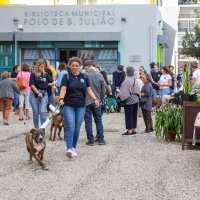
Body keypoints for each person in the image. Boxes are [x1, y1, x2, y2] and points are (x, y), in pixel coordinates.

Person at [59, 57, 99, 159]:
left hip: (81, 106)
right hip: (69, 105)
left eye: (76, 65)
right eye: (72, 65)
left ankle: (73, 148)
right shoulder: (66, 76)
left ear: (80, 66)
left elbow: (88, 90)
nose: (74, 67)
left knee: (77, 128)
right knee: (70, 126)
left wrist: (95, 99)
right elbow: (63, 88)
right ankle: (69, 148)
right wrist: (61, 98)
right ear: (69, 66)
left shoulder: (84, 76)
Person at [84, 60, 106, 146]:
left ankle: (90, 140)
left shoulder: (85, 75)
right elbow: (103, 90)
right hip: (97, 101)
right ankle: (101, 139)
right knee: (98, 120)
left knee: (88, 121)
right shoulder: (100, 75)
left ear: (86, 67)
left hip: (86, 101)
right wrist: (99, 98)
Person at [29, 59, 54, 128]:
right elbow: (32, 85)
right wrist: (38, 93)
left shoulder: (45, 74)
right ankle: (37, 129)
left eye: (44, 66)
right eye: (41, 66)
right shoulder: (33, 74)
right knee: (36, 113)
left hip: (44, 94)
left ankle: (42, 130)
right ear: (37, 66)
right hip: (34, 94)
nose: (42, 68)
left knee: (42, 112)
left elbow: (52, 81)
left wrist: (52, 84)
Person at [117, 67, 141, 135]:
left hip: (129, 100)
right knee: (134, 115)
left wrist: (118, 95)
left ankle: (129, 130)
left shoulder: (127, 80)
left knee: (129, 115)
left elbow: (124, 91)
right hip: (136, 99)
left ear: (127, 72)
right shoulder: (135, 80)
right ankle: (134, 129)